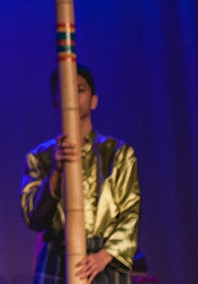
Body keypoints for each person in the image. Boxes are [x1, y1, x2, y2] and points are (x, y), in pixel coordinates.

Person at [20, 64, 141, 283]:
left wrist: (105, 256)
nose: (72, 95)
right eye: (65, 89)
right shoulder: (40, 156)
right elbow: (33, 218)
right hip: (57, 255)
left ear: (94, 100)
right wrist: (56, 171)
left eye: (79, 89)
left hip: (103, 259)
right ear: (56, 101)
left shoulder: (118, 153)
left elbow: (130, 213)